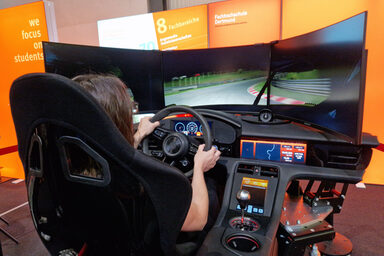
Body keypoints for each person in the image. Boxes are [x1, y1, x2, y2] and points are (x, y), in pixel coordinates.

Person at [72, 74, 221, 232]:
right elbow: (197, 221)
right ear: (116, 122)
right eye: (129, 113)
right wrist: (199, 167)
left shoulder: (72, 164)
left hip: (101, 236)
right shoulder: (142, 181)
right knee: (211, 189)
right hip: (144, 247)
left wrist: (139, 135)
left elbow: (114, 149)